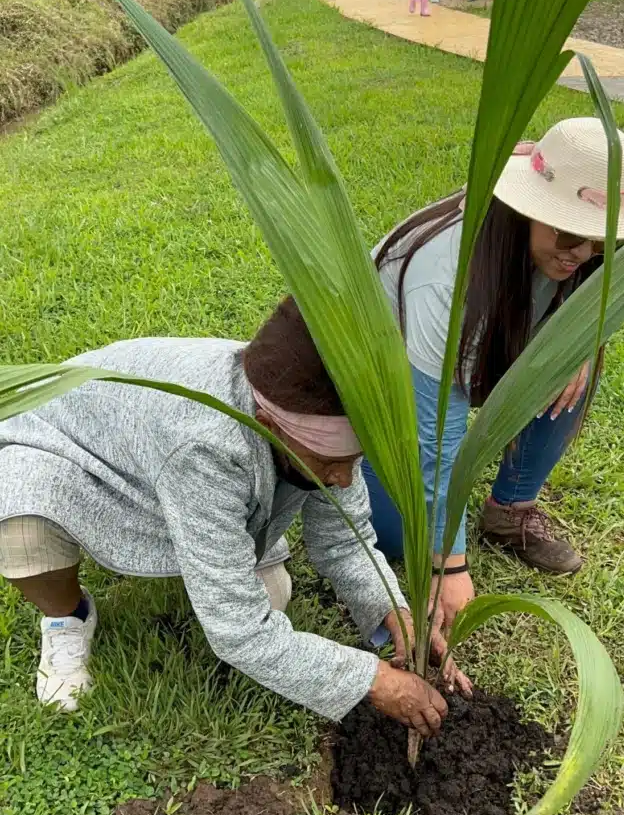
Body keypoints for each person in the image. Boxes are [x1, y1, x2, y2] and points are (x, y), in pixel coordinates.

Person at [0, 298, 467, 733]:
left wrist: (393, 613)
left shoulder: (315, 409)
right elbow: (239, 634)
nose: (343, 480)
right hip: (73, 452)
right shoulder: (207, 446)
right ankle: (67, 616)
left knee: (272, 595)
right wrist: (374, 681)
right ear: (268, 428)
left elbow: (345, 540)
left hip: (161, 461)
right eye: (330, 465)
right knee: (22, 535)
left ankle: (203, 558)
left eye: (352, 462)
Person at [364, 117, 624, 631]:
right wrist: (447, 564)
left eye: (602, 241)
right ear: (523, 211)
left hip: (487, 354)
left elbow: (591, 299)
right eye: (569, 232)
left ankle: (509, 511)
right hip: (387, 388)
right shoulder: (445, 277)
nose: (583, 255)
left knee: (569, 372)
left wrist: (579, 345)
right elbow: (436, 433)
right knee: (395, 538)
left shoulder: (575, 253)